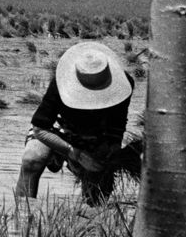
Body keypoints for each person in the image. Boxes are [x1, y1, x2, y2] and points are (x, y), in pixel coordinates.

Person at [16, 40, 136, 203]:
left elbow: (118, 123)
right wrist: (73, 153)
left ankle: (90, 213)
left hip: (95, 135)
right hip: (59, 130)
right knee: (32, 159)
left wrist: (111, 152)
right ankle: (23, 211)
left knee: (96, 194)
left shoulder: (124, 84)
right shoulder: (61, 83)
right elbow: (40, 128)